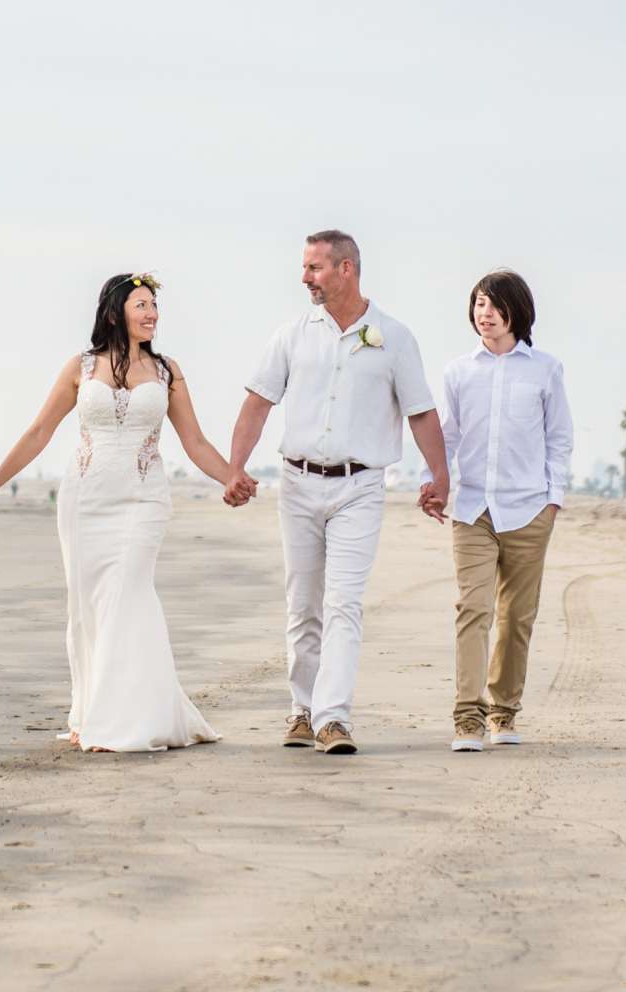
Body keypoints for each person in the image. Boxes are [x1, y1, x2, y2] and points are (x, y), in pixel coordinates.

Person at [0, 273, 245, 753]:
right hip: (86, 499)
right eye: (141, 305)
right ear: (116, 311)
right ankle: (91, 712)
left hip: (144, 500)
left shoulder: (167, 372)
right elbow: (39, 431)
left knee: (127, 594)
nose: (151, 313)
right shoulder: (81, 366)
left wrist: (231, 478)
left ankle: (122, 721)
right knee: (87, 606)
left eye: (154, 306)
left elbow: (194, 441)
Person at [226, 230, 450, 757]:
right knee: (303, 604)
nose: (305, 278)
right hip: (298, 485)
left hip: (361, 487)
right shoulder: (291, 335)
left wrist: (438, 476)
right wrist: (234, 468)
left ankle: (333, 718)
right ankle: (303, 709)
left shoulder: (394, 337)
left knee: (344, 603)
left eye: (315, 268)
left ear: (346, 269)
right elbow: (258, 404)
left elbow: (421, 411)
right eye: (305, 268)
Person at [426, 270, 572, 752]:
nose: (482, 313)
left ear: (516, 310)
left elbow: (559, 439)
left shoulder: (545, 370)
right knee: (474, 609)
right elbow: (446, 435)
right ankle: (467, 718)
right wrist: (434, 480)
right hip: (472, 508)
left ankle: (503, 712)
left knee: (517, 616)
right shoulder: (458, 371)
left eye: (492, 304)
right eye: (477, 304)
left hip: (529, 509)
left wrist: (554, 499)